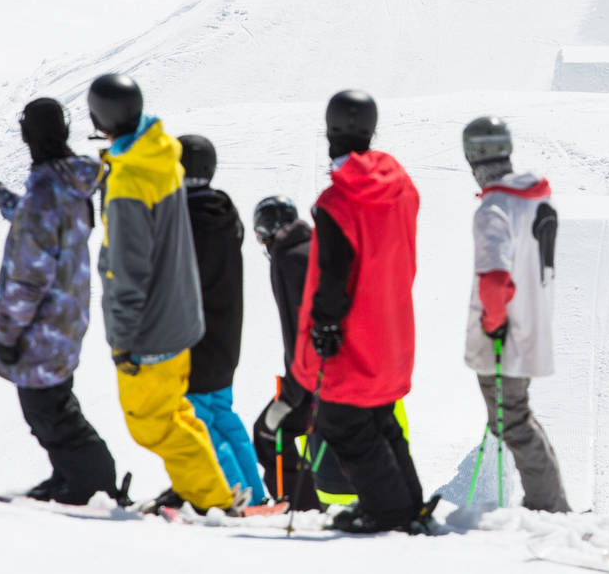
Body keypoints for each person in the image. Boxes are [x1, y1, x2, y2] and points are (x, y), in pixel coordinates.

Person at [87, 73, 236, 514]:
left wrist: (125, 337)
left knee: (151, 423)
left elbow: (128, 269)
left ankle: (212, 498)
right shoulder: (159, 156)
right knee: (174, 413)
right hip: (178, 313)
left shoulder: (131, 180)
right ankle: (197, 487)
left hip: (150, 325)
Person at [290, 89, 429, 533]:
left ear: (330, 132)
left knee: (342, 420)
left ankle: (388, 511)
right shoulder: (399, 188)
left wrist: (325, 324)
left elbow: (334, 273)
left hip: (352, 335)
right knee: (380, 418)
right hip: (391, 327)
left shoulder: (338, 204)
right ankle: (407, 504)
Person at [0, 98, 119, 506]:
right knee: (53, 401)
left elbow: (28, 278)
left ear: (27, 135)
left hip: (41, 321)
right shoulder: (70, 181)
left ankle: (93, 484)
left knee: (48, 410)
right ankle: (71, 476)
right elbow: (40, 222)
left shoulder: (45, 191)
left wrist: (2, 332)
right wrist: (4, 198)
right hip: (67, 314)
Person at [461, 116, 570, 512]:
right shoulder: (535, 200)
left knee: (512, 422)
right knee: (517, 416)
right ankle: (551, 500)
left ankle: (548, 506)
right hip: (531, 324)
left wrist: (493, 323)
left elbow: (494, 278)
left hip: (502, 334)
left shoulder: (494, 209)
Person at [250, 195, 358, 509]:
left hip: (313, 380)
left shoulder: (287, 261)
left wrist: (291, 395)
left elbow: (298, 331)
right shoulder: (315, 249)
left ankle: (300, 505)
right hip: (335, 372)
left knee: (269, 432)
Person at [177, 134, 266, 505]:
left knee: (199, 419)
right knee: (223, 414)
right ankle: (256, 495)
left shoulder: (182, 218)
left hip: (196, 336)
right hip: (228, 336)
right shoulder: (225, 213)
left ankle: (232, 494)